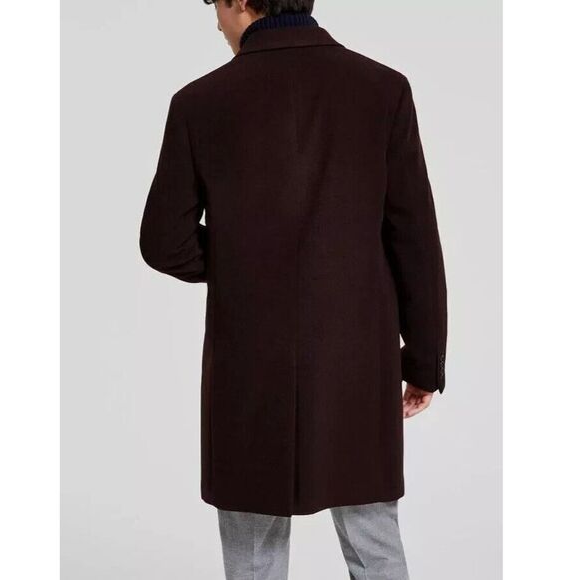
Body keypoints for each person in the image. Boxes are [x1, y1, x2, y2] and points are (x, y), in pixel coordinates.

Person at [139, 0, 448, 578]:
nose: (215, 21)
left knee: (253, 551)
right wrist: (424, 361)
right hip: (357, 358)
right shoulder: (382, 89)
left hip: (250, 361)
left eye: (214, 5)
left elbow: (164, 241)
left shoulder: (200, 101)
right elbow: (414, 238)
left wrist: (244, 265)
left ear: (238, 1)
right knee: (374, 542)